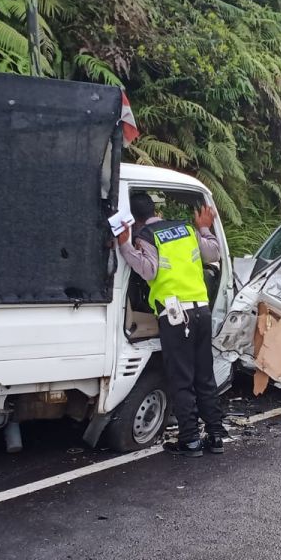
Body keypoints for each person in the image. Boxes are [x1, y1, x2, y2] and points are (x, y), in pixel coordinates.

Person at [117, 193, 226, 456]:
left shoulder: (146, 236)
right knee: (205, 377)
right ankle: (215, 436)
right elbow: (213, 252)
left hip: (176, 316)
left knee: (181, 379)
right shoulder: (187, 228)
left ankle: (189, 440)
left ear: (135, 220)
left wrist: (125, 246)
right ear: (156, 210)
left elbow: (149, 271)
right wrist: (204, 227)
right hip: (201, 311)